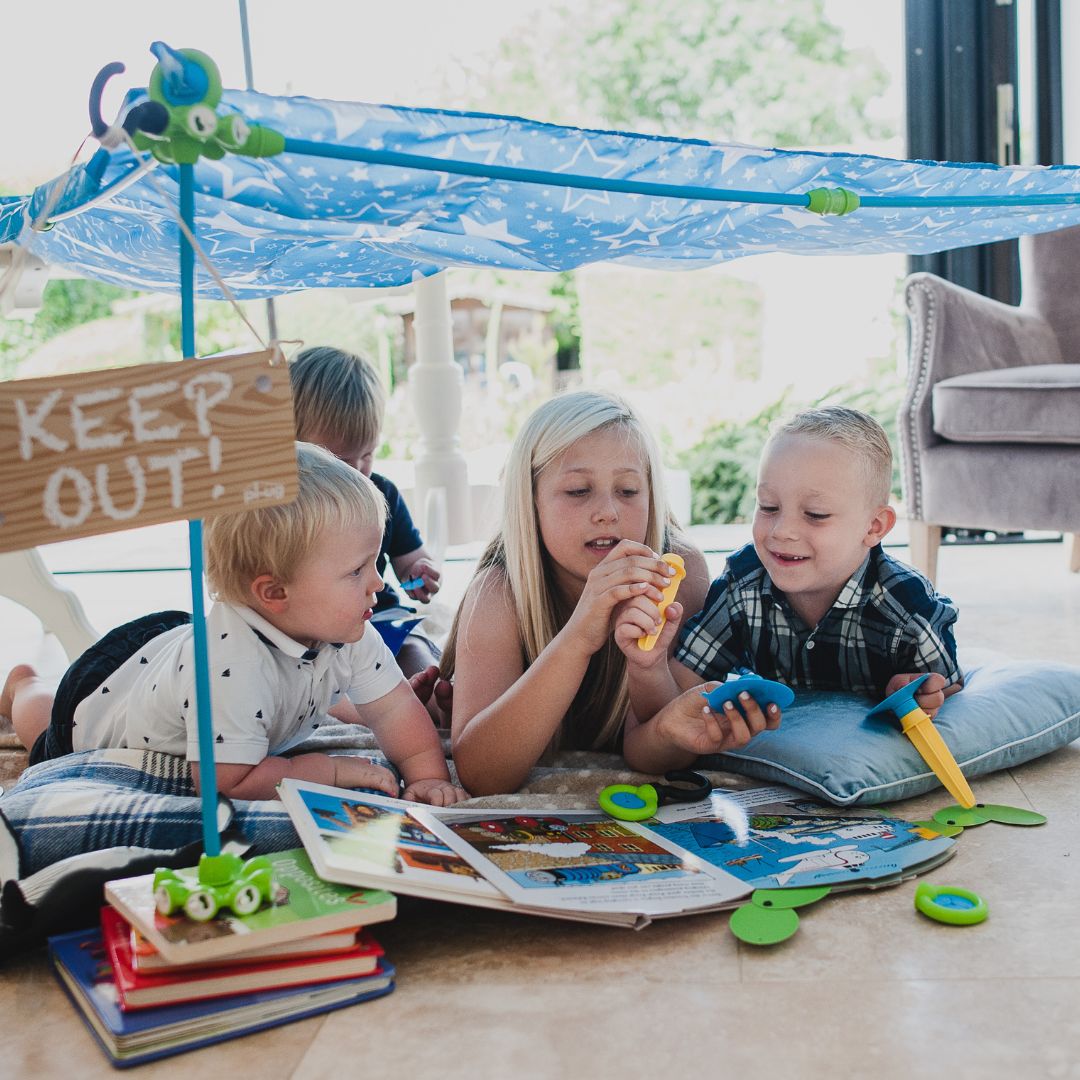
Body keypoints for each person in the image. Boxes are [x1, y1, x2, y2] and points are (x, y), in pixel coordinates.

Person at [0, 443, 467, 805]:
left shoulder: (349, 626)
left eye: (374, 565)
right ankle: (23, 686)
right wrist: (331, 770)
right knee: (48, 731)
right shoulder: (235, 668)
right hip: (100, 702)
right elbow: (229, 781)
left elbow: (394, 709)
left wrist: (428, 774)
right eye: (356, 571)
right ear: (274, 593)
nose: (377, 585)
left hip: (170, 654)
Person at [439, 389, 772, 796]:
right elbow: (483, 775)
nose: (608, 512)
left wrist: (651, 672)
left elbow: (672, 743)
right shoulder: (498, 593)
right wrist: (580, 636)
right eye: (579, 491)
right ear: (529, 501)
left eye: (629, 491)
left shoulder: (680, 574)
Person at [613, 405, 962, 772]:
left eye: (815, 514)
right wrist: (649, 666)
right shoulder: (743, 583)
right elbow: (674, 711)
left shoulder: (906, 604)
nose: (782, 531)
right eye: (768, 506)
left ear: (874, 526)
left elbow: (948, 690)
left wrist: (918, 692)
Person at [288, 346, 449, 719]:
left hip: (374, 617)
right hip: (306, 629)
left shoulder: (381, 493)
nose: (360, 472)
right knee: (304, 680)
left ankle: (430, 702)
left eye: (369, 455)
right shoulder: (285, 507)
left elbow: (410, 558)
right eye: (343, 461)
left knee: (416, 650)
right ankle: (368, 711)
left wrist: (419, 571)